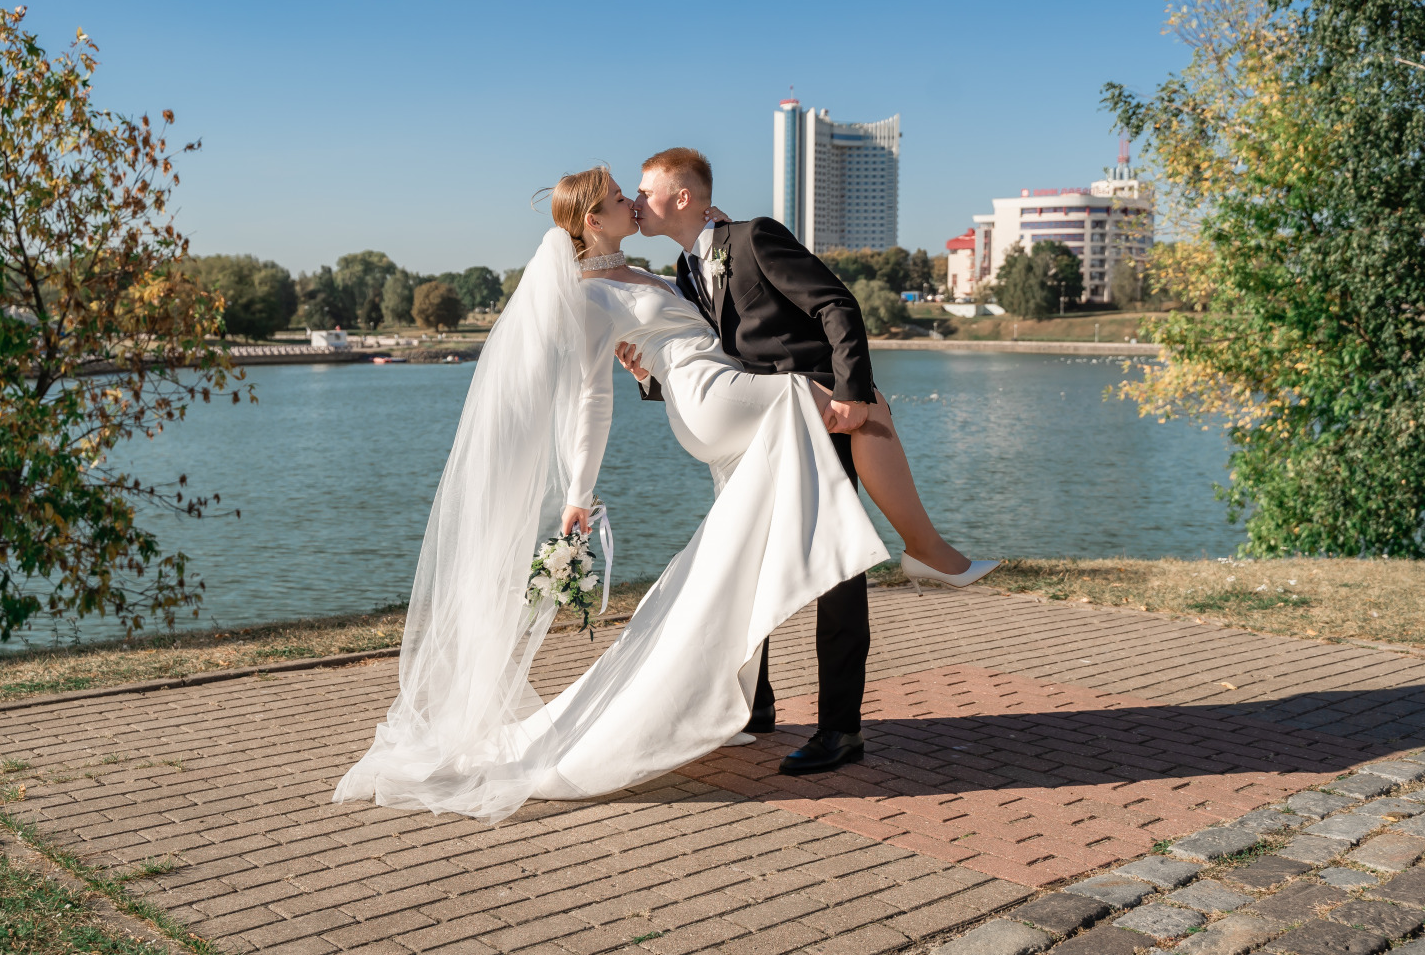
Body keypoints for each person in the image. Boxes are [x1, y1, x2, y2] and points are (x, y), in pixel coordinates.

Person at [334, 164, 993, 824]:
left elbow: (699, 335)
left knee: (751, 538)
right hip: (712, 403)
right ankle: (927, 549)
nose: (632, 203)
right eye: (621, 198)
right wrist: (578, 492)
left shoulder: (654, 272)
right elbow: (591, 398)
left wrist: (663, 334)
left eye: (635, 192)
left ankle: (750, 690)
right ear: (594, 220)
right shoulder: (588, 297)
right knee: (854, 400)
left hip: (714, 393)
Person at [622, 147, 994, 775]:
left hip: (813, 414)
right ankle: (753, 705)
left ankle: (841, 728)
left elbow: (836, 306)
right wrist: (648, 375)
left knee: (837, 572)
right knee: (744, 564)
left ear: (681, 196)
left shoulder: (755, 237)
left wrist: (850, 394)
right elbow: (709, 365)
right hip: (758, 429)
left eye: (644, 189)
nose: (636, 200)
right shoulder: (687, 274)